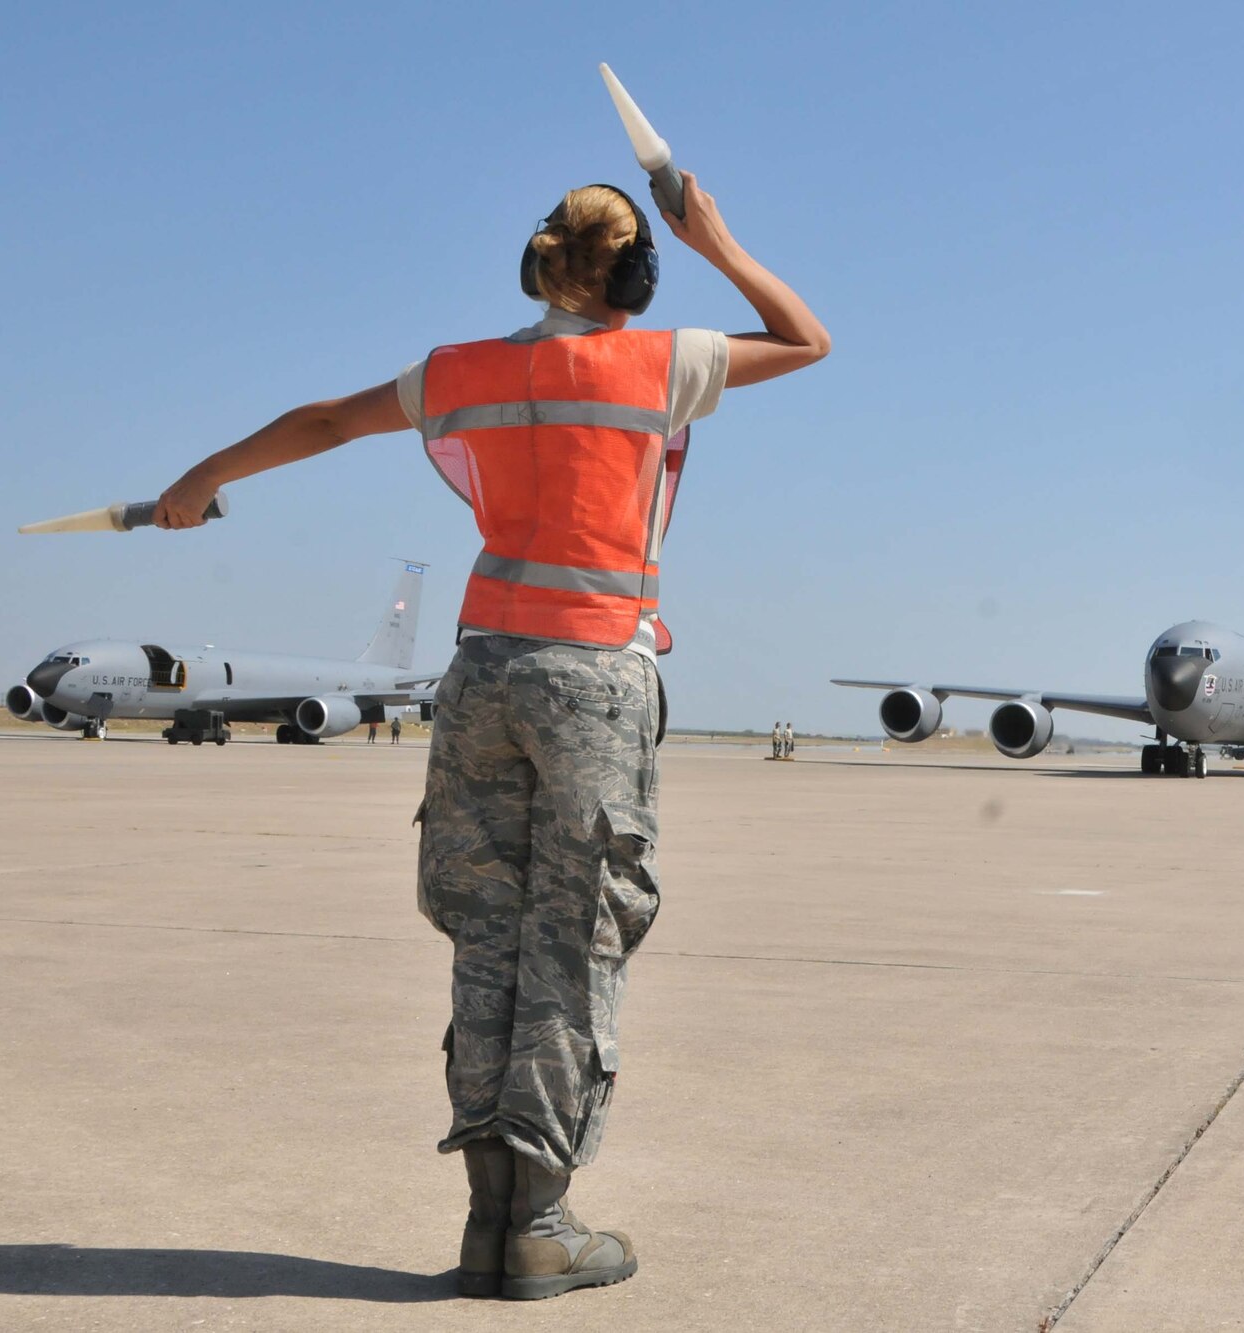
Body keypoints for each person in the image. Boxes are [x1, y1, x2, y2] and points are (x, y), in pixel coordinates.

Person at [150, 174, 828, 1301]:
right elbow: (804, 339)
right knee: (575, 941)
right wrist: (717, 235)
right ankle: (541, 1224)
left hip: (479, 675)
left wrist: (202, 475)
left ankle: (483, 1224)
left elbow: (322, 420)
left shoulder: (460, 372)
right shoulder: (662, 362)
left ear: (535, 265)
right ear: (637, 273)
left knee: (488, 938)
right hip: (595, 677)